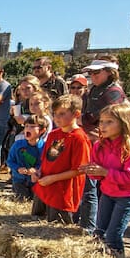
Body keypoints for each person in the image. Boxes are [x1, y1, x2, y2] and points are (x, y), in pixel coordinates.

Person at [79, 103, 130, 257]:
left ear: (124, 123)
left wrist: (105, 172)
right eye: (101, 121)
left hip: (128, 195)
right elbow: (98, 175)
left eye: (109, 122)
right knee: (100, 231)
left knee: (113, 234)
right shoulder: (99, 145)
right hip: (108, 192)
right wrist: (91, 171)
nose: (103, 126)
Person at [78, 57, 127, 232]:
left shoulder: (114, 91)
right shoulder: (95, 90)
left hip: (105, 142)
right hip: (92, 140)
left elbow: (101, 115)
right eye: (91, 73)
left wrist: (83, 119)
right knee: (90, 184)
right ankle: (90, 224)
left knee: (95, 187)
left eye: (96, 72)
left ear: (109, 72)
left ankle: (92, 226)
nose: (93, 76)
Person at [31, 94, 89, 223]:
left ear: (76, 114)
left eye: (62, 114)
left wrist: (52, 178)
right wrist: (38, 172)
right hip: (44, 188)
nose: (57, 117)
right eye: (55, 113)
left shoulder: (79, 138)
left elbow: (79, 170)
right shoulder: (53, 135)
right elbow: (46, 160)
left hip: (62, 192)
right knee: (37, 221)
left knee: (57, 225)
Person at [6, 115, 46, 200]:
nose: (28, 129)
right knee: (22, 200)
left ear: (42, 130)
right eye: (26, 126)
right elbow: (10, 161)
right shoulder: (17, 145)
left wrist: (36, 170)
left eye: (32, 127)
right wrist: (18, 168)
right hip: (19, 180)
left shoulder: (44, 147)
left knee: (35, 201)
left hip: (37, 181)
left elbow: (46, 164)